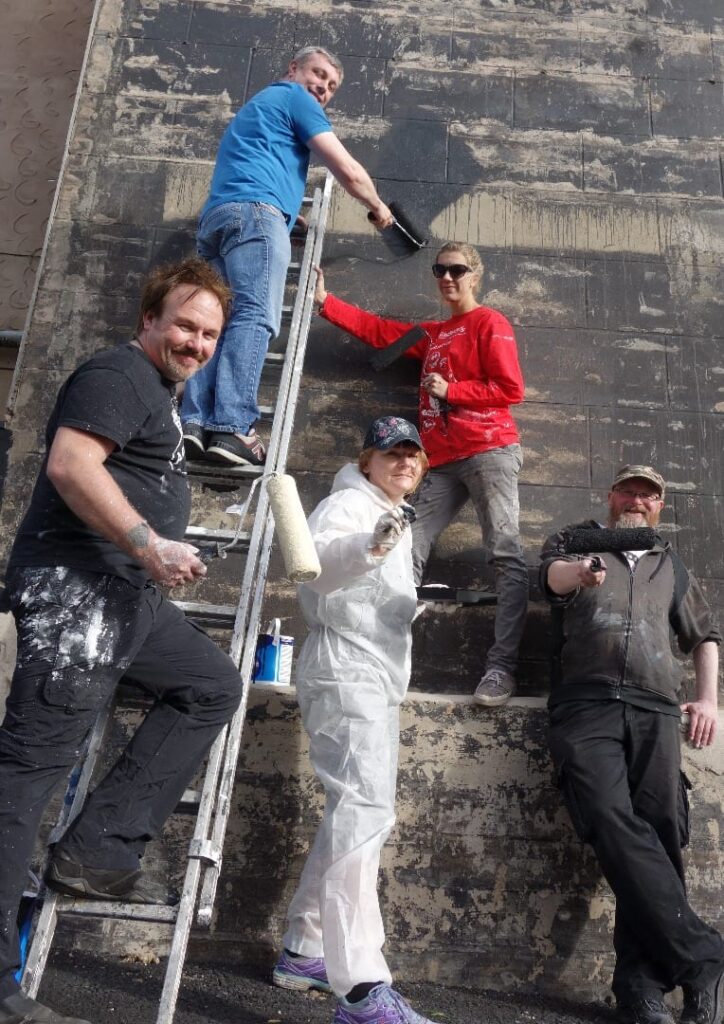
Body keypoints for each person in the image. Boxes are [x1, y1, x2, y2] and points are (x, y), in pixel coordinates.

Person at [0, 258, 244, 1024]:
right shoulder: (116, 372)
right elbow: (73, 466)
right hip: (78, 596)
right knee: (22, 783)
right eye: (183, 324)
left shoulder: (162, 397)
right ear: (148, 319)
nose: (195, 342)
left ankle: (95, 850)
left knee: (212, 685)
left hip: (125, 603)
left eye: (208, 333)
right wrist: (150, 543)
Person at [540, 465, 724, 1024]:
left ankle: (642, 989)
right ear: (611, 496)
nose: (638, 501)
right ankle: (705, 956)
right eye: (629, 491)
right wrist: (581, 573)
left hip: (657, 708)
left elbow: (703, 634)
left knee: (663, 831)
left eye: (649, 495)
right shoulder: (575, 539)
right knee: (608, 818)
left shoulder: (670, 562)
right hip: (585, 703)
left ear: (659, 506)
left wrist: (710, 699)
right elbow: (549, 578)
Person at [271, 416, 435, 1024]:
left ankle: (305, 948)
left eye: (413, 456)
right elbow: (317, 563)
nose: (404, 463)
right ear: (366, 459)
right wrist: (371, 544)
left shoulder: (387, 511)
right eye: (392, 453)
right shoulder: (350, 503)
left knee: (355, 812)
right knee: (364, 814)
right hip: (347, 668)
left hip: (369, 673)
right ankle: (361, 987)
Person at [313, 243, 527, 706]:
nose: (447, 277)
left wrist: (454, 390)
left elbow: (511, 389)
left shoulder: (490, 323)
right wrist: (325, 304)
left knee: (505, 553)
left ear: (475, 275)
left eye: (457, 270)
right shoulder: (433, 334)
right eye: (440, 270)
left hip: (489, 448)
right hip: (442, 459)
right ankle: (382, 652)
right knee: (404, 542)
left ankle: (501, 668)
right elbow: (381, 331)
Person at [181, 45, 394, 469]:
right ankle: (233, 426)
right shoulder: (295, 98)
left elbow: (254, 170)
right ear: (293, 68)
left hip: (220, 220)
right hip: (256, 217)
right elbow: (347, 170)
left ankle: (194, 422)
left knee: (211, 323)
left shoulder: (259, 107)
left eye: (331, 86)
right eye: (318, 75)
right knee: (255, 316)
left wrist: (285, 214)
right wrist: (377, 206)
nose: (323, 88)